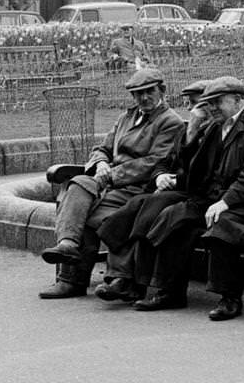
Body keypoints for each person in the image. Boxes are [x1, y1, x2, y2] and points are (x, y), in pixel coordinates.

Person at [97, 77, 244, 321]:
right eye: (208, 104)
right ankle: (170, 292)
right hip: (223, 197)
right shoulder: (217, 125)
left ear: (238, 100)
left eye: (217, 102)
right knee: (172, 215)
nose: (211, 108)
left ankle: (229, 297)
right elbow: (192, 168)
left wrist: (224, 202)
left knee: (223, 225)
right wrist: (192, 130)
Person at [38, 68, 185, 299]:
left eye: (149, 91)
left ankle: (76, 279)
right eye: (138, 94)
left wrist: (113, 174)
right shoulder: (126, 118)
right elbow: (101, 148)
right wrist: (101, 163)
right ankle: (67, 245)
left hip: (138, 188)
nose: (144, 98)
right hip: (110, 184)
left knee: (87, 214)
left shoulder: (170, 122)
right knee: (77, 183)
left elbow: (155, 162)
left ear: (162, 90)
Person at [92, 77, 215, 306]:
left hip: (204, 196)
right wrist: (161, 176)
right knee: (142, 207)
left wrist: (174, 179)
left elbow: (206, 175)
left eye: (196, 105)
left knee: (151, 210)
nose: (190, 110)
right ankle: (127, 282)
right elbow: (166, 161)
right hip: (182, 190)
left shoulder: (213, 131)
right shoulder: (190, 129)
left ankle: (134, 283)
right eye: (188, 104)